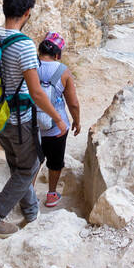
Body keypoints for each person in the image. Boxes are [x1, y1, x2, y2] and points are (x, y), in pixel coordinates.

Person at [0, 0, 68, 235]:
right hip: (20, 119)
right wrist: (58, 118)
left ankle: (31, 211)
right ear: (27, 13)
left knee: (18, 165)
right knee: (30, 166)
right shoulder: (24, 45)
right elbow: (36, 92)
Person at [35, 31, 81, 209]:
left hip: (32, 125)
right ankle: (52, 194)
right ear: (57, 54)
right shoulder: (63, 71)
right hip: (57, 127)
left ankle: (29, 196)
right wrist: (77, 121)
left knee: (34, 161)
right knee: (55, 162)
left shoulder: (30, 66)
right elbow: (73, 103)